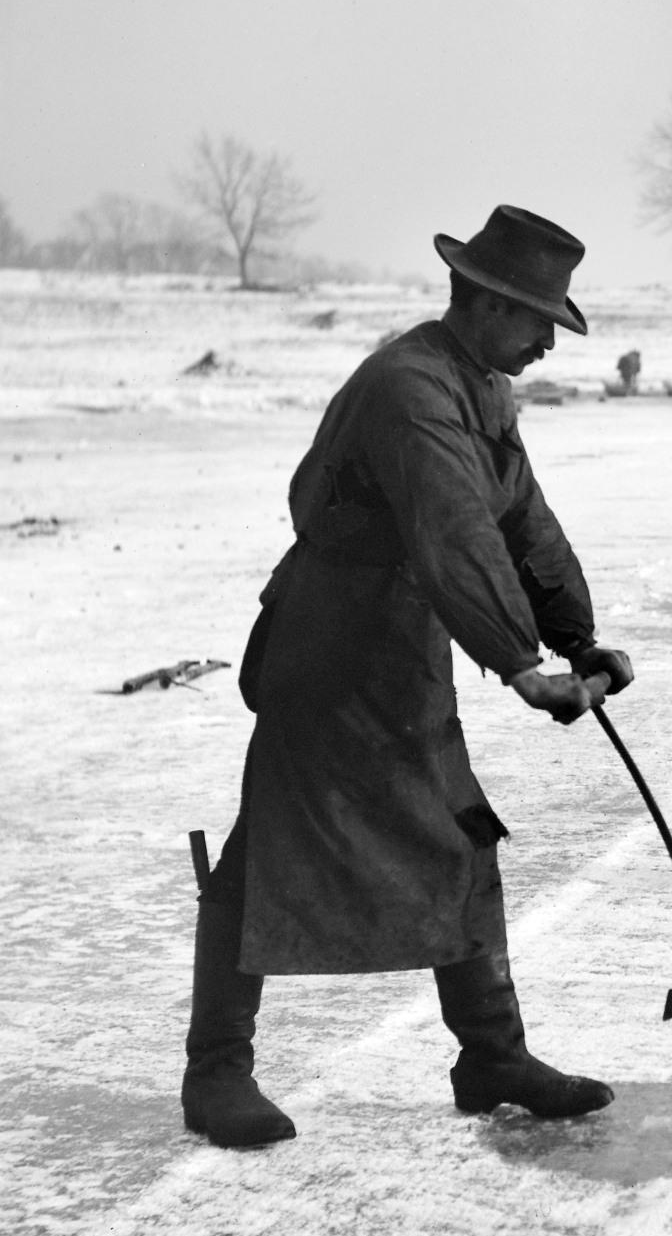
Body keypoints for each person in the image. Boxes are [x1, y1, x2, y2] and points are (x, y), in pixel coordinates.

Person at [182, 205, 635, 1149]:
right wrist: (519, 663)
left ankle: (491, 1057)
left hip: (408, 652)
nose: (550, 338)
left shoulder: (481, 385)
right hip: (331, 647)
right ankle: (216, 1070)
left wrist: (575, 633)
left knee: (465, 836)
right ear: (481, 302)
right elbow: (452, 527)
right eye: (537, 318)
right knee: (267, 853)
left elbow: (518, 516)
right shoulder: (410, 390)